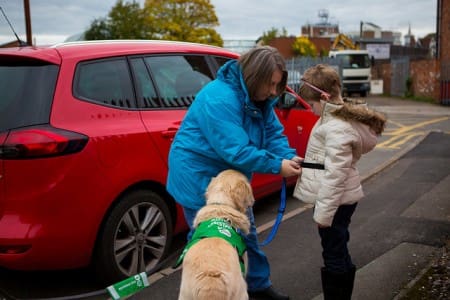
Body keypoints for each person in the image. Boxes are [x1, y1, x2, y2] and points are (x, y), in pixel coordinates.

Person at [167, 46, 302, 300]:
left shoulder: (258, 97)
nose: (274, 92)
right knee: (208, 241)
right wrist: (277, 166)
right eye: (270, 84)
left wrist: (286, 155)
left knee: (245, 231)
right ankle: (206, 291)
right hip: (198, 176)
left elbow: (272, 132)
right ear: (254, 76)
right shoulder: (220, 98)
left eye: (277, 85)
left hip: (230, 179)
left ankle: (258, 286)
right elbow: (237, 151)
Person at [293, 64, 386, 300]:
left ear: (324, 98)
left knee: (333, 253)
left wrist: (323, 215)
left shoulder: (336, 127)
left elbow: (335, 175)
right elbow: (327, 162)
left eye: (312, 105)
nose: (311, 110)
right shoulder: (334, 118)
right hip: (340, 198)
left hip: (336, 199)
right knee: (338, 247)